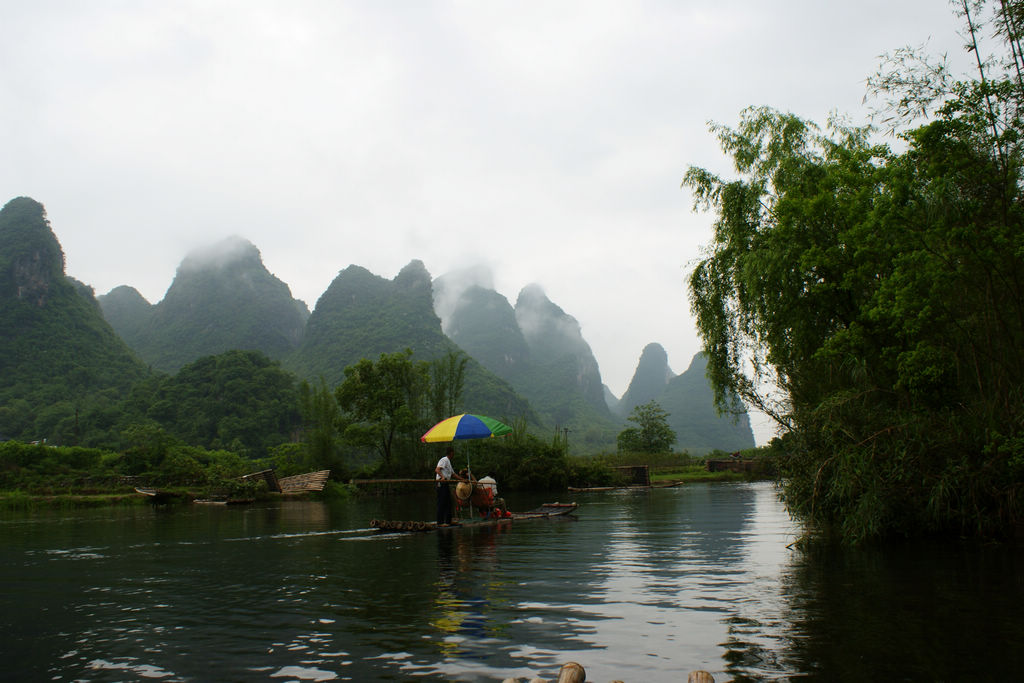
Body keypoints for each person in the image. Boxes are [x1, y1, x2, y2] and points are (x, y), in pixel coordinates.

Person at [435, 447, 464, 526]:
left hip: (446, 483)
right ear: (451, 453)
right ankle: (440, 522)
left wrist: (463, 480)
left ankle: (448, 521)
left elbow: (453, 474)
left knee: (448, 502)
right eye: (453, 453)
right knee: (441, 502)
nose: (453, 455)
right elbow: (437, 469)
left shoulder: (448, 462)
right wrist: (442, 477)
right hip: (441, 483)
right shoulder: (444, 460)